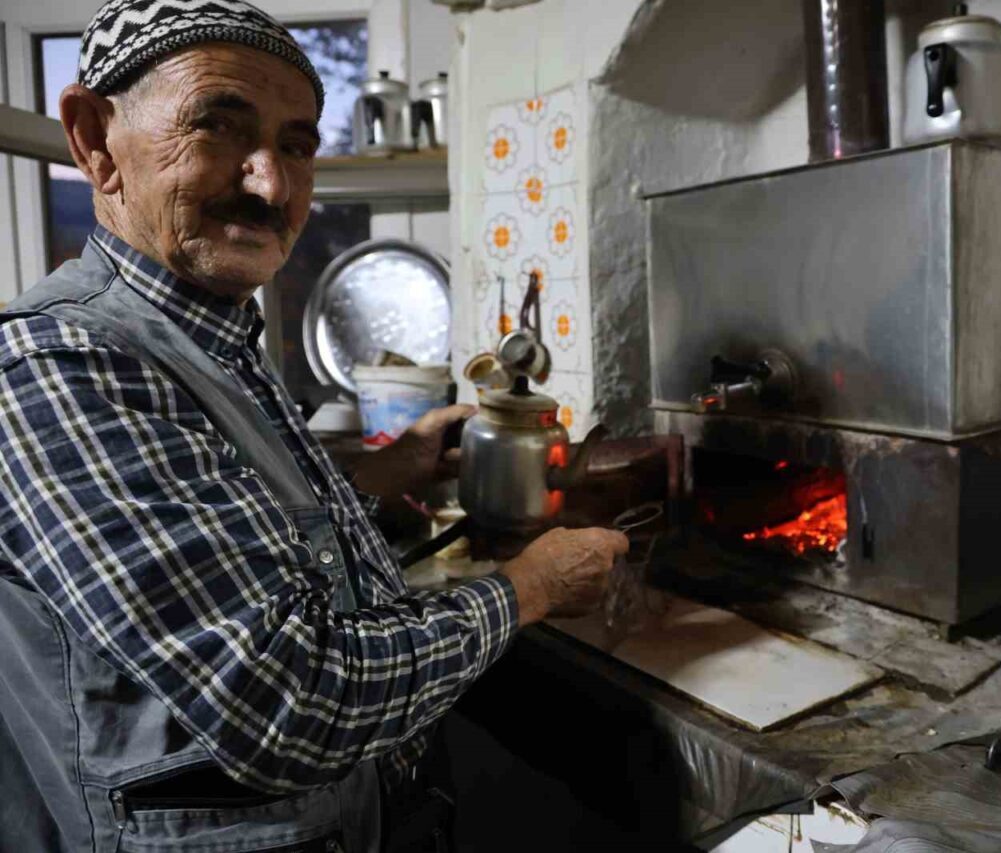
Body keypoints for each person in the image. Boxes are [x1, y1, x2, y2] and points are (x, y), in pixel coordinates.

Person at [0, 1, 627, 851]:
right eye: (218, 127)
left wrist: (385, 471)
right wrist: (533, 585)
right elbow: (287, 699)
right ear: (95, 139)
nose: (272, 184)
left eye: (296, 144)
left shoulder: (211, 337)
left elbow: (225, 524)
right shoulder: (59, 362)